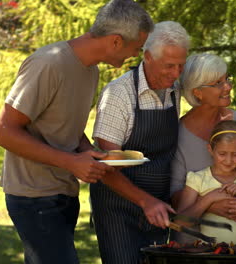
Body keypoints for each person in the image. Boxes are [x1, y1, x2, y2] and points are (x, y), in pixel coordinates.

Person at [0, 1, 152, 263]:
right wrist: (71, 162)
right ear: (115, 41)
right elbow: (3, 132)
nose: (135, 55)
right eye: (137, 47)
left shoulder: (90, 70)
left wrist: (91, 154)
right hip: (33, 196)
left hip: (63, 192)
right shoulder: (48, 63)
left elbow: (69, 129)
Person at [89, 21, 190, 263]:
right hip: (118, 209)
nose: (176, 74)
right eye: (169, 66)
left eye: (181, 65)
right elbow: (105, 166)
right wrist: (146, 201)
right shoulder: (119, 94)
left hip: (158, 207)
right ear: (147, 56)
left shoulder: (174, 89)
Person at [170, 53, 236, 242]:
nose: (228, 87)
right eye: (218, 83)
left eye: (227, 79)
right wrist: (210, 205)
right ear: (197, 92)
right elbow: (174, 193)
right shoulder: (177, 133)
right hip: (192, 246)